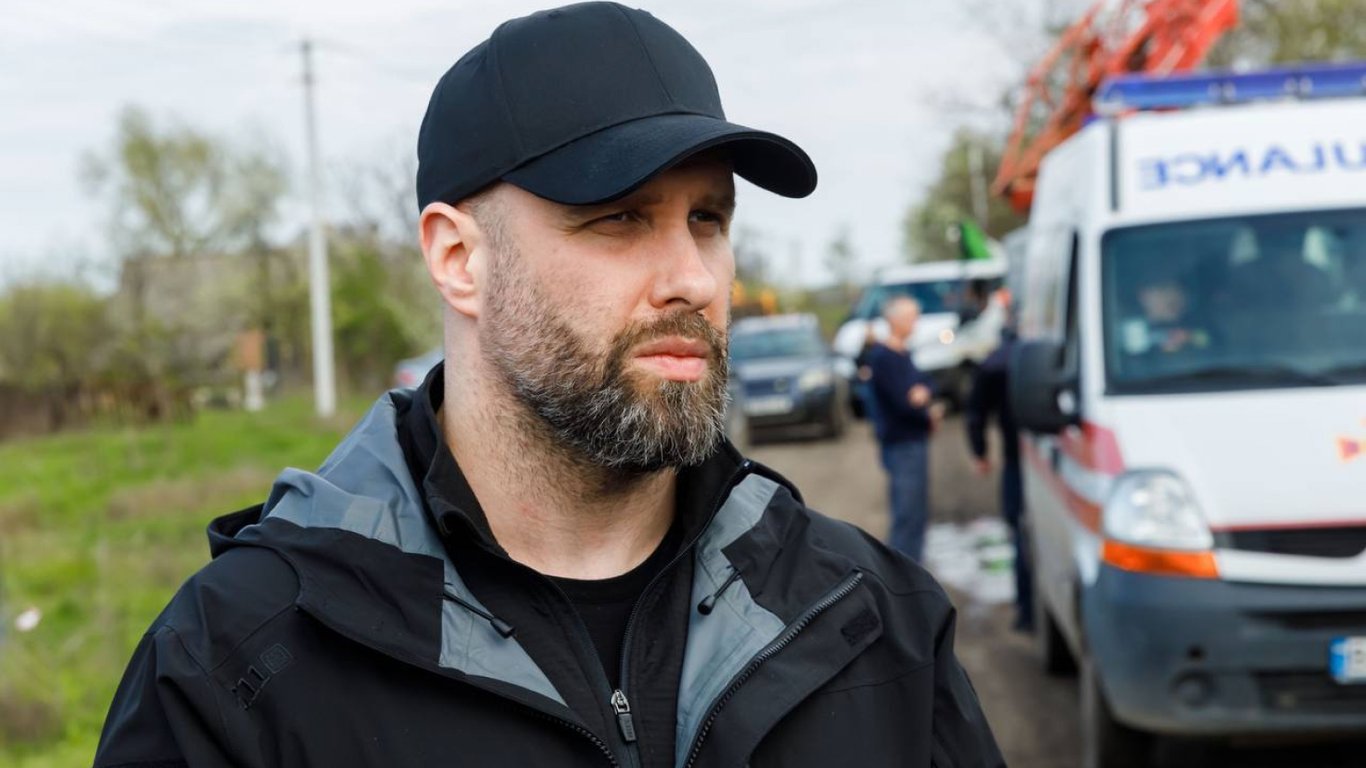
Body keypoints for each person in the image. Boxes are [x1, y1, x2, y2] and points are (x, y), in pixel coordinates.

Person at [94, 4, 1004, 767]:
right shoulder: (236, 670)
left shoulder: (868, 620)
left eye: (708, 219)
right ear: (459, 259)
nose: (693, 278)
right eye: (620, 217)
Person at [964, 319, 1032, 633]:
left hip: (1016, 460)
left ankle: (1027, 610)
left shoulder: (995, 363)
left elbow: (976, 412)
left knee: (1020, 531)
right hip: (1055, 458)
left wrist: (980, 452)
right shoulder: (1049, 352)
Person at [866, 297, 936, 563]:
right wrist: (924, 409)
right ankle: (901, 572)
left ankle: (914, 568)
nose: (915, 323)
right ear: (895, 321)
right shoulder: (884, 357)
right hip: (901, 444)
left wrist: (924, 395)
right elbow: (903, 403)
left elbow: (926, 384)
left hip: (913, 440)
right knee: (906, 515)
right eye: (911, 317)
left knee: (917, 512)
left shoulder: (903, 353)